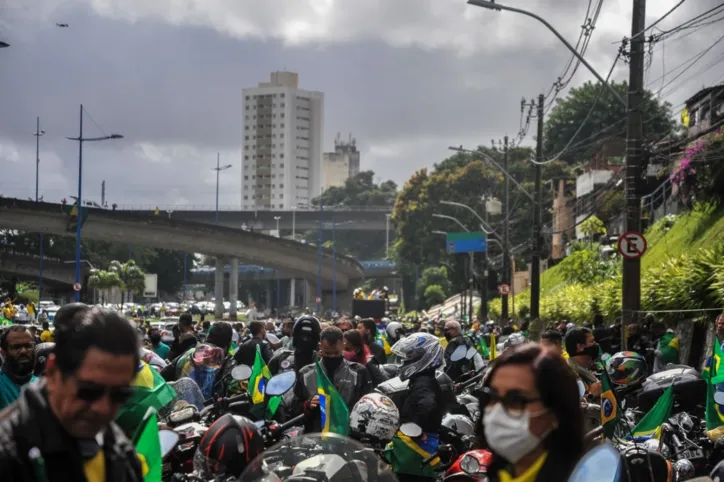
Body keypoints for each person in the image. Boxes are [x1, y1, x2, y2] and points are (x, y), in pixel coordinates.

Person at [0, 305, 143, 482]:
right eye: (89, 391)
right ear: (52, 373)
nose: (103, 408)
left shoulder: (121, 453)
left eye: (119, 395)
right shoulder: (8, 455)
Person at [479, 343, 585, 481]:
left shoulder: (583, 476)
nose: (497, 411)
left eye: (516, 400)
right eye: (492, 397)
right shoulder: (493, 474)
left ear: (555, 412)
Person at [385, 333, 445, 482]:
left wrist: (415, 429)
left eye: (410, 355)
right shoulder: (422, 380)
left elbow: (427, 405)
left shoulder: (423, 383)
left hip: (416, 450)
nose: (406, 359)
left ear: (424, 356)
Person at [293, 326, 371, 432]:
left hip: (348, 437)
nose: (332, 357)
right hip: (315, 437)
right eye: (328, 353)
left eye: (336, 353)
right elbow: (294, 408)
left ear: (343, 346)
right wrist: (308, 405)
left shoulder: (358, 372)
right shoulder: (306, 373)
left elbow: (367, 406)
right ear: (320, 346)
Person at [162, 322, 233, 399]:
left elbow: (164, 374)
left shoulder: (189, 353)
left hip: (180, 407)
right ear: (228, 343)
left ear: (207, 337)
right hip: (205, 409)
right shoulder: (226, 362)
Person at [0, 326, 37, 410]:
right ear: (3, 352)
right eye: (16, 347)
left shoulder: (41, 386)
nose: (23, 351)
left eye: (28, 346)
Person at [564, 327, 601, 397]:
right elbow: (569, 405)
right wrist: (591, 395)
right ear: (580, 347)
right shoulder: (569, 375)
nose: (595, 344)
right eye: (592, 341)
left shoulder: (583, 369)